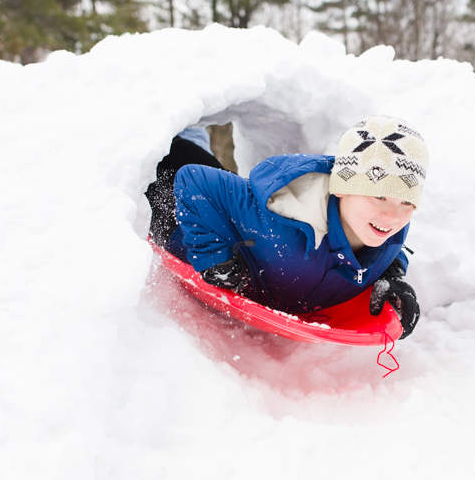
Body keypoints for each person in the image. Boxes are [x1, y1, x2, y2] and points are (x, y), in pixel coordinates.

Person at [160, 115, 427, 339]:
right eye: (379, 195)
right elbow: (192, 179)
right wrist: (216, 260)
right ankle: (180, 127)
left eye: (406, 201)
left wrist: (393, 276)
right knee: (158, 151)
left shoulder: (382, 229)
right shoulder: (283, 217)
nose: (392, 216)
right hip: (177, 217)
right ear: (343, 188)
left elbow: (392, 247)